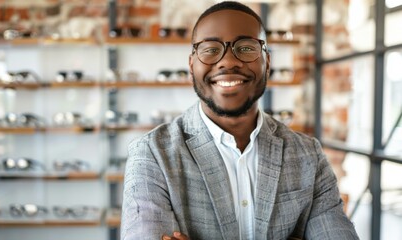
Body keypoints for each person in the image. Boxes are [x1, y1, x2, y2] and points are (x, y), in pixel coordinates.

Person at [121, 1, 359, 240]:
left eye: (246, 48)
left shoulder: (308, 155)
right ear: (192, 66)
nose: (228, 62)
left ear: (267, 64)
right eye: (211, 49)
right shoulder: (152, 154)